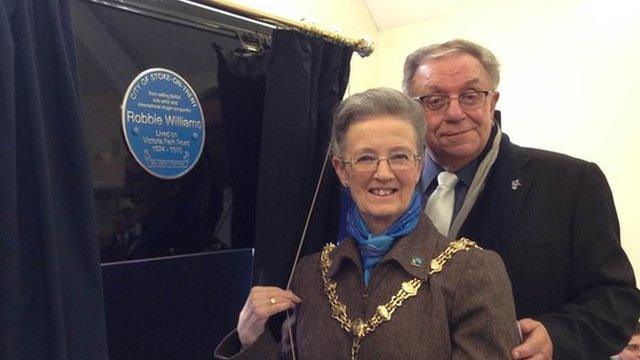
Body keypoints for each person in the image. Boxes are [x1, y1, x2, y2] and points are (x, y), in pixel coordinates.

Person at [214, 88, 521, 359]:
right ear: (342, 170)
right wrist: (251, 339)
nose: (384, 173)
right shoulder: (310, 274)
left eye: (399, 156)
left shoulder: (472, 271)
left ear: (418, 165)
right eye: (365, 158)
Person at [402, 39, 640, 359]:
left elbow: (616, 300)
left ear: (493, 101)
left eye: (471, 96)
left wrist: (556, 336)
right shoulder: (383, 187)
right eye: (435, 100)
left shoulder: (571, 182)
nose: (455, 113)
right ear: (412, 111)